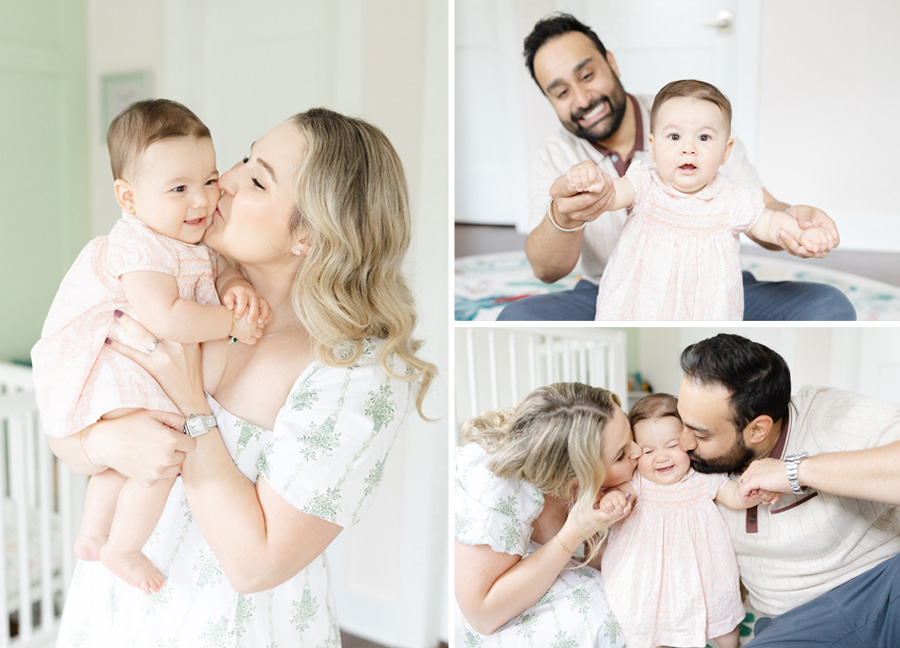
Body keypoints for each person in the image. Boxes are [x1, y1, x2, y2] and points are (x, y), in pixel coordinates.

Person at [45, 107, 437, 646]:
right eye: (243, 158)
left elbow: (255, 566)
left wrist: (190, 404)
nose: (221, 184)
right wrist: (104, 439)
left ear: (310, 234)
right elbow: (66, 425)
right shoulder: (171, 278)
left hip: (226, 628)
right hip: (116, 610)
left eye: (256, 179)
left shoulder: (355, 374)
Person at [31, 99, 268, 594]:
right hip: (120, 372)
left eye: (208, 180)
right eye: (179, 188)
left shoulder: (190, 237)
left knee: (126, 462)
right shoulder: (139, 245)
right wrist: (230, 324)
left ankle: (94, 534)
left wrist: (232, 285)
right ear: (129, 198)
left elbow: (213, 266)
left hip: (140, 374)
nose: (202, 200)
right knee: (160, 458)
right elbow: (167, 317)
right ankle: (123, 548)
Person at [497, 12, 855, 321]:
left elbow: (764, 214)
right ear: (652, 147)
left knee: (829, 306)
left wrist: (795, 222)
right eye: (561, 92)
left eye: (587, 76)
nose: (582, 98)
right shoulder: (566, 158)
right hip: (618, 292)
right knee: (513, 317)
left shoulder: (692, 117)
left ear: (612, 63)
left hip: (712, 293)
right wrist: (569, 211)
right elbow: (603, 204)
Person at [676, 333, 900, 646]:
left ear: (757, 430)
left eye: (700, 434)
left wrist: (796, 471)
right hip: (794, 624)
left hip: (882, 587)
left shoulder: (831, 417)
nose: (683, 443)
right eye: (681, 421)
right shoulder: (678, 460)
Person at [572, 79, 836, 320]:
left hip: (704, 309)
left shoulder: (732, 197)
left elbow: (767, 222)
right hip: (639, 304)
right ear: (653, 147)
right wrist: (593, 182)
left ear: (725, 151)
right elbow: (613, 194)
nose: (689, 148)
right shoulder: (644, 184)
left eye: (704, 137)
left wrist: (801, 233)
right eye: (674, 137)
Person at [454, 382, 640, 647]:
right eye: (621, 455)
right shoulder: (497, 488)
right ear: (573, 473)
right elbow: (482, 616)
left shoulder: (578, 477)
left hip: (527, 569)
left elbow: (606, 558)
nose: (639, 451)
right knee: (597, 613)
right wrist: (574, 532)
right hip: (485, 607)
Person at [602, 393, 778, 648]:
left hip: (705, 570)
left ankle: (732, 645)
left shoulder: (702, 476)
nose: (661, 457)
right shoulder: (639, 482)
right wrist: (612, 499)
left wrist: (752, 492)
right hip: (651, 573)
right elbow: (618, 495)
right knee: (651, 618)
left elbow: (732, 496)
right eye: (648, 451)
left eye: (672, 446)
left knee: (722, 620)